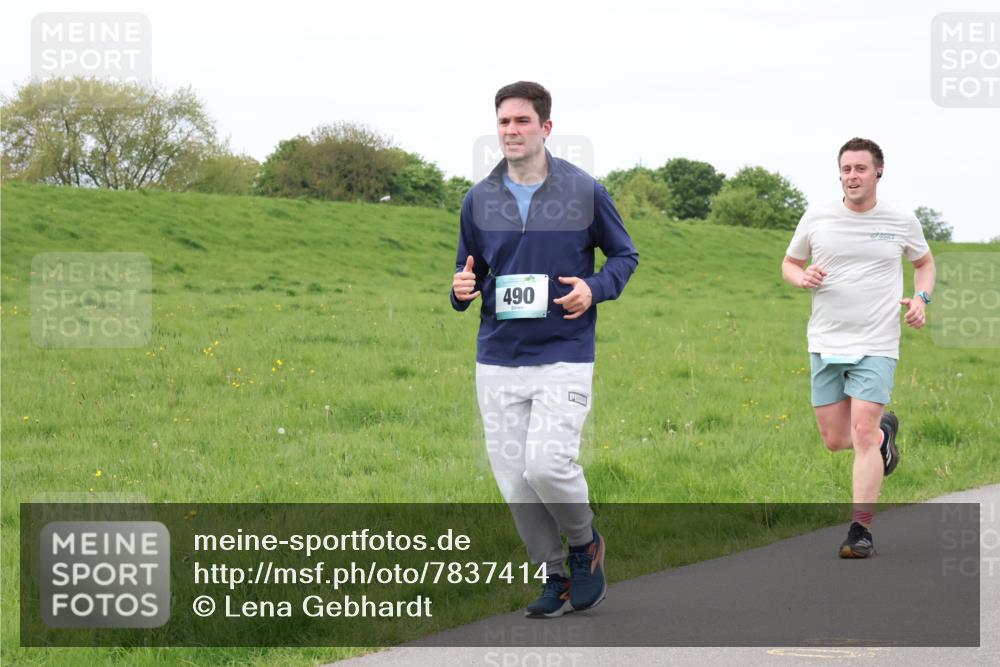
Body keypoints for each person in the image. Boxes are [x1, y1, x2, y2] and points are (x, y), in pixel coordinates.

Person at [450, 81, 638, 616]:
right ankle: (552, 576)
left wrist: (593, 288)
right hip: (498, 358)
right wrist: (459, 291)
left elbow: (624, 256)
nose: (511, 130)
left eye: (522, 122)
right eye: (504, 122)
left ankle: (585, 546)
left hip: (564, 352)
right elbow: (470, 273)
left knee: (547, 466)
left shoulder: (584, 191)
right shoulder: (479, 199)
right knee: (513, 479)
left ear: (546, 128)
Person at [782, 137, 936, 558]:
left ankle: (860, 531)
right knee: (836, 439)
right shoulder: (818, 216)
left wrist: (921, 300)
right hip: (826, 339)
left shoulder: (901, 219)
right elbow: (790, 263)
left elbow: (924, 264)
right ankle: (887, 434)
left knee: (862, 431)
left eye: (861, 168)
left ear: (878, 172)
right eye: (846, 169)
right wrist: (802, 278)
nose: (853, 176)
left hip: (877, 339)